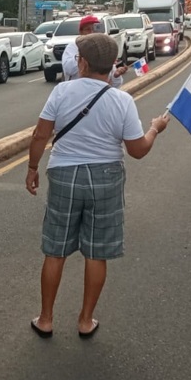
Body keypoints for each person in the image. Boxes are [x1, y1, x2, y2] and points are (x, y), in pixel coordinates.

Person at [24, 34, 169, 338]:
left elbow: (40, 135)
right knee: (96, 252)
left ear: (83, 62)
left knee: (55, 251)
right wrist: (155, 129)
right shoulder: (122, 100)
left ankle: (47, 318)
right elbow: (138, 150)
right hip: (106, 177)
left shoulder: (62, 92)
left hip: (64, 174)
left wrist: (32, 168)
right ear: (111, 64)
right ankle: (85, 320)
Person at [62, 15, 127, 87]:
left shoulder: (103, 48)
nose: (92, 32)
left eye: (95, 29)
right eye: (88, 29)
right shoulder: (73, 47)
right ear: (81, 31)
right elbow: (69, 69)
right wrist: (87, 53)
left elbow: (115, 85)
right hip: (77, 91)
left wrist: (116, 76)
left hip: (99, 92)